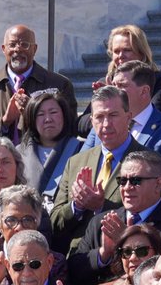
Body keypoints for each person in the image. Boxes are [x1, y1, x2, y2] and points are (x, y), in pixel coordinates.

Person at [68, 151, 161, 285]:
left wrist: (128, 242)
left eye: (136, 181)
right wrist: (103, 254)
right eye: (122, 181)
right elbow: (73, 271)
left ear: (158, 184)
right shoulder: (101, 222)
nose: (127, 187)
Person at [50, 86, 146, 254]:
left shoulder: (148, 162)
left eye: (113, 115)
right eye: (99, 117)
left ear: (128, 117)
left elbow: (153, 219)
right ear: (92, 121)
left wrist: (102, 207)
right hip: (78, 262)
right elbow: (54, 222)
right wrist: (76, 207)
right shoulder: (76, 162)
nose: (106, 124)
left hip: (122, 259)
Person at [0, 25, 77, 142]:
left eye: (24, 44)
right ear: (3, 49)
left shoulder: (59, 85)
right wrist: (4, 121)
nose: (18, 49)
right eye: (12, 45)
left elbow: (70, 128)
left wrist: (33, 113)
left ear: (34, 49)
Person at [82, 60, 161, 174]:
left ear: (144, 91)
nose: (115, 91)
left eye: (122, 86)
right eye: (113, 85)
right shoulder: (102, 125)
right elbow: (80, 164)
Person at [76, 24, 161, 135]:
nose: (121, 55)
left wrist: (116, 99)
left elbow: (153, 119)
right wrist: (106, 101)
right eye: (116, 51)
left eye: (127, 50)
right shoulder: (106, 82)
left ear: (142, 53)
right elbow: (81, 126)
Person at [17, 90, 84, 215]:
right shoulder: (18, 153)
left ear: (64, 115)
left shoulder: (81, 149)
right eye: (40, 114)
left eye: (53, 112)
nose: (48, 119)